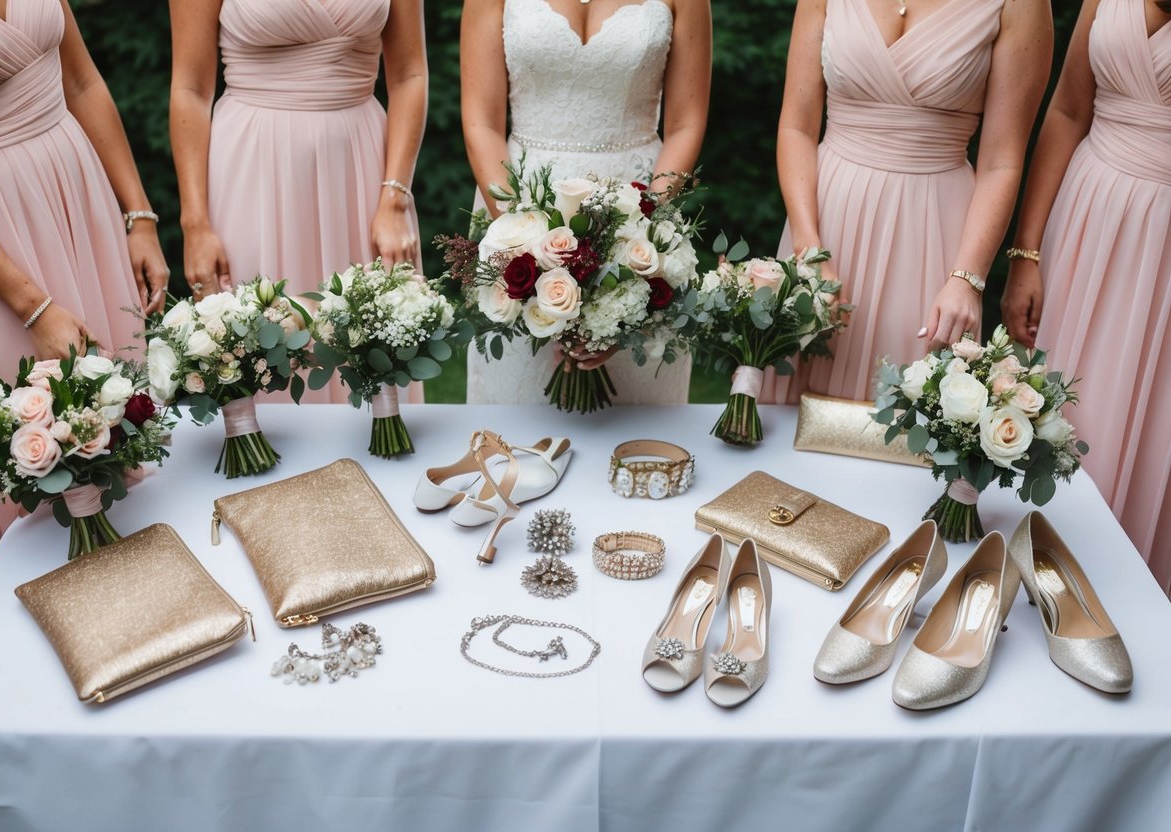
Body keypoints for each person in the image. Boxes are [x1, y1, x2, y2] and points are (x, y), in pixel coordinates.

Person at [0, 0, 168, 602]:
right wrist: (33, 306)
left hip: (78, 202)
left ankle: (153, 594)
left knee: (116, 415)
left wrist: (139, 216)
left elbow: (80, 79)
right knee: (30, 433)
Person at [760, 0, 1052, 403]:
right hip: (824, 219)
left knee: (908, 413)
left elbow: (1001, 162)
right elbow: (796, 125)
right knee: (791, 414)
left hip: (934, 234)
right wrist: (807, 246)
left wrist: (967, 279)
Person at [169, 0, 428, 403]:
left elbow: (410, 74)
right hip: (250, 170)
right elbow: (191, 89)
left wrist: (394, 198)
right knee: (255, 342)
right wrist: (195, 224)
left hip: (362, 172)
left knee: (371, 343)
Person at [460, 0, 710, 404]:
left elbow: (686, 123)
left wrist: (639, 240)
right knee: (520, 413)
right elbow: (481, 122)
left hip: (639, 209)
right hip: (517, 203)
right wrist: (523, 247)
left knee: (637, 418)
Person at [1002, 0, 1171, 594]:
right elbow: (1070, 110)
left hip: (1165, 254)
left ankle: (1120, 599)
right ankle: (1018, 579)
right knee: (1054, 409)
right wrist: (1027, 253)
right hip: (1083, 223)